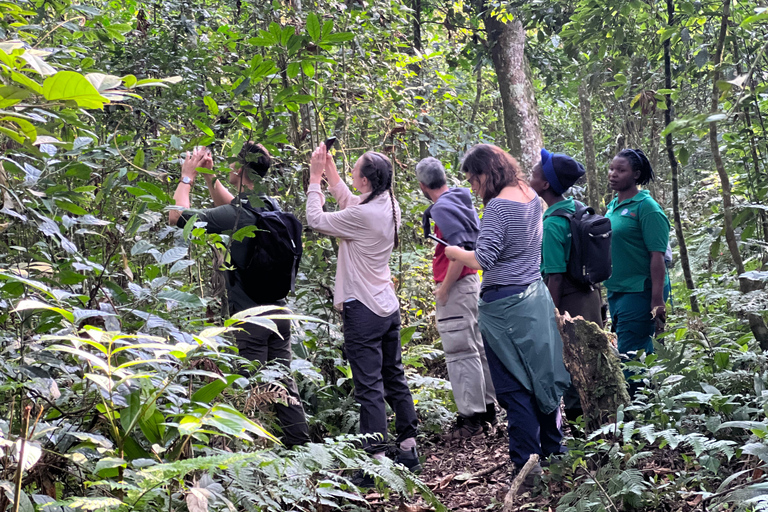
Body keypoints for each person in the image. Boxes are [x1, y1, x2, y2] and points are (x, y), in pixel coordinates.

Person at [444, 144, 570, 491]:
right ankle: (554, 454)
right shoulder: (531, 194)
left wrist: (455, 252)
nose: (472, 186)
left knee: (515, 388)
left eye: (473, 178)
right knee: (542, 378)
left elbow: (483, 258)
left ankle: (526, 474)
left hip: (504, 308)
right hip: (534, 298)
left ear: (486, 173)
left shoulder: (498, 207)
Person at [168, 143, 311, 448]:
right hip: (279, 315)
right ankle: (304, 451)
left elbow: (177, 217)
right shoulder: (269, 205)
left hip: (252, 318)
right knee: (284, 387)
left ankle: (252, 463)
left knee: (251, 393)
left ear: (241, 170)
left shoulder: (238, 215)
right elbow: (232, 204)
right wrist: (209, 176)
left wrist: (186, 177)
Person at [305, 144, 420, 486]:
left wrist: (314, 179)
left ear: (366, 181)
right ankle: (408, 448)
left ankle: (376, 462)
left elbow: (316, 219)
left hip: (364, 309)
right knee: (394, 377)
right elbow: (348, 199)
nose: (351, 175)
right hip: (386, 305)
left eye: (355, 171)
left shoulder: (364, 215)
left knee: (369, 386)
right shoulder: (388, 204)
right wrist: (329, 169)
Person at [416, 157, 497, 440]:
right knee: (476, 346)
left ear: (423, 186)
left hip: (458, 284)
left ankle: (471, 419)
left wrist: (444, 289)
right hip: (472, 283)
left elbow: (458, 249)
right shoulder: (461, 199)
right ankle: (487, 409)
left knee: (460, 351)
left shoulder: (443, 210)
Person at [529, 149, 604, 421]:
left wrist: (553, 317)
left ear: (546, 183)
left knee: (574, 371)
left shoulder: (552, 224)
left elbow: (555, 276)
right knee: (592, 368)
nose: (531, 173)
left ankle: (582, 439)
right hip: (591, 297)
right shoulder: (576, 209)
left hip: (569, 304)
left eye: (536, 171)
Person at [604, 148, 670, 388]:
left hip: (640, 291)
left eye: (621, 170)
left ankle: (636, 416)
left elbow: (657, 256)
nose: (613, 174)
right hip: (617, 290)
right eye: (612, 169)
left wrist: (656, 301)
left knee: (630, 357)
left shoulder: (647, 208)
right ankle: (653, 404)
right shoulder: (613, 205)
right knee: (641, 352)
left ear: (636, 175)